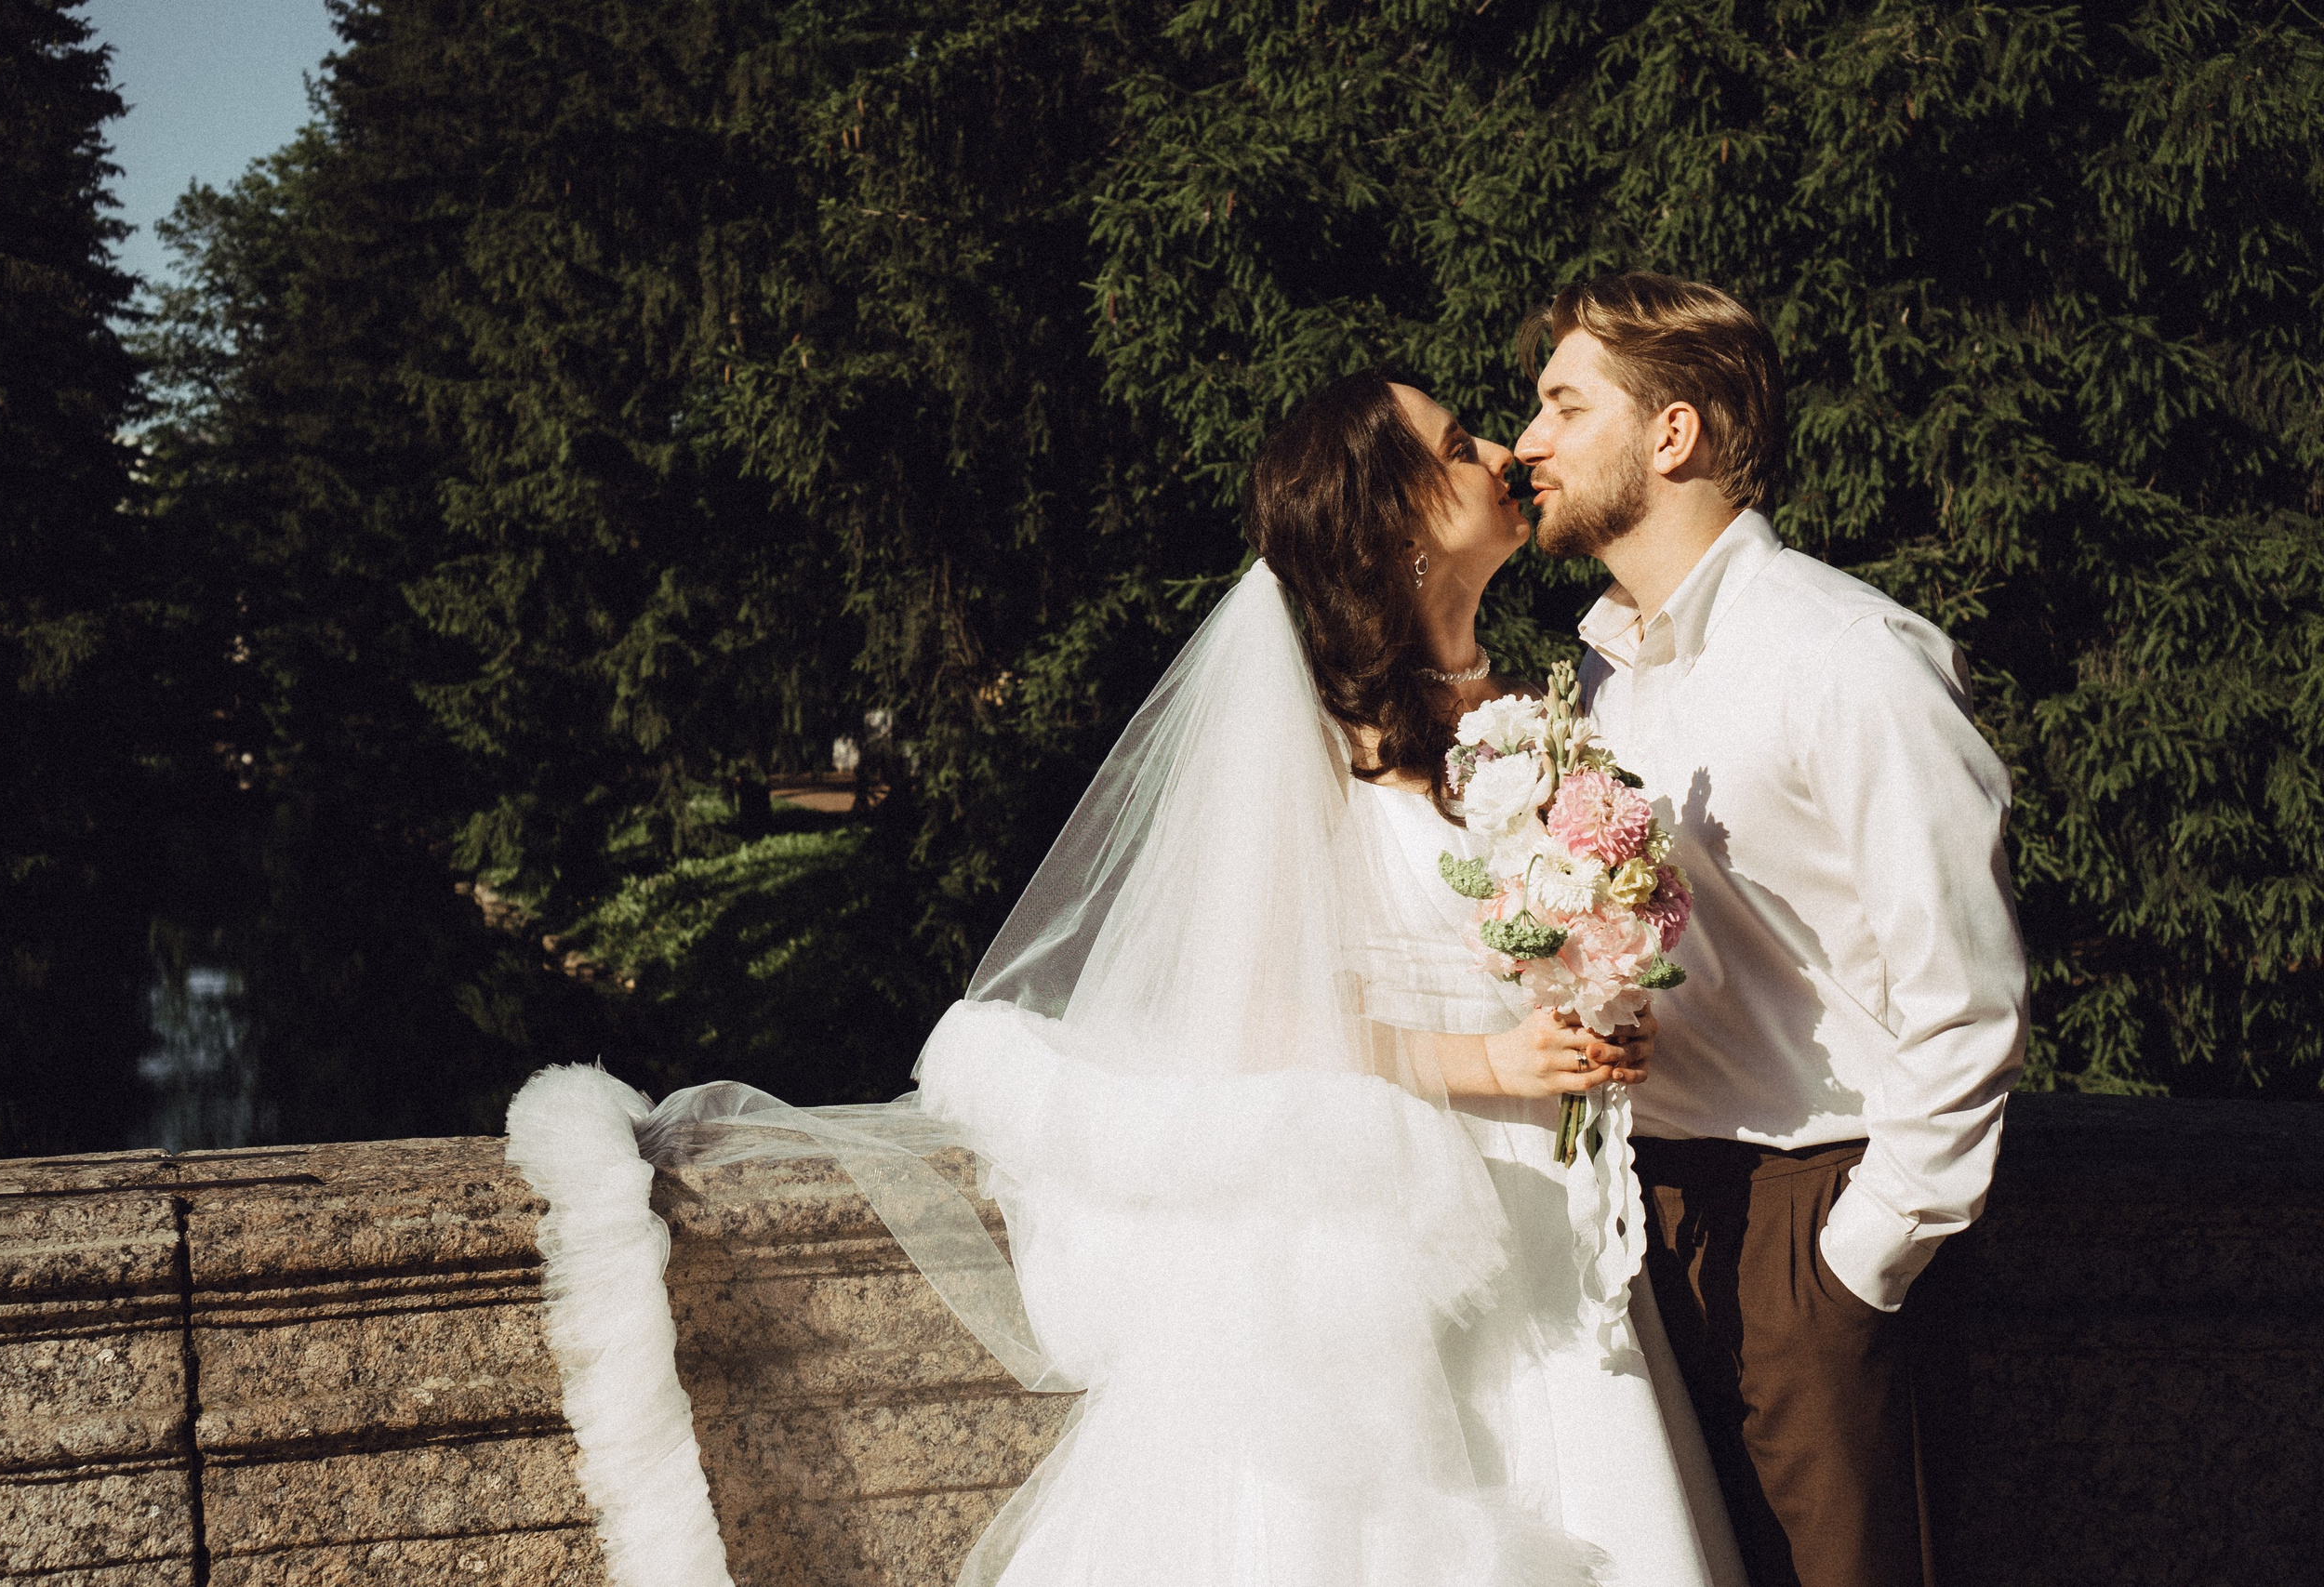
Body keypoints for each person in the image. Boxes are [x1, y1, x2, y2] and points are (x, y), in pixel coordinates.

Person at [508, 369, 1746, 1587]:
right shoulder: (1311, 736)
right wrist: (1486, 1062)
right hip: (1395, 1218)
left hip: (1553, 1195)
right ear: (1394, 514)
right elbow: (1255, 1012)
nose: (1501, 457)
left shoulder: (1534, 714)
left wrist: (1595, 993)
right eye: (1460, 442)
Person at [1511, 271, 2029, 1587]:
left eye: (1564, 406)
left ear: (1671, 433)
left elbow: (1965, 995)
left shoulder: (1849, 655)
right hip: (1651, 1228)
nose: (1528, 444)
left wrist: (1860, 1262)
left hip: (1815, 1213)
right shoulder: (1601, 678)